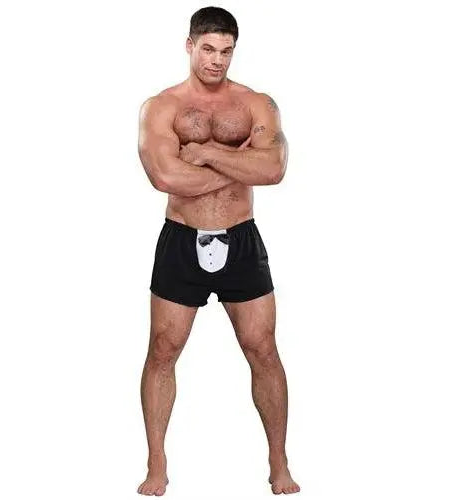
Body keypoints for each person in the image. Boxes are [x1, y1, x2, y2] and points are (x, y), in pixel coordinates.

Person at [137, 6, 300, 496]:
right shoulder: (161, 107)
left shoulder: (256, 103)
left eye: (226, 51)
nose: (217, 60)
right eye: (208, 49)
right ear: (190, 46)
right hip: (181, 241)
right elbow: (165, 176)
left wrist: (207, 154)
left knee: (263, 350)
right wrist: (240, 163)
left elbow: (274, 170)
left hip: (242, 240)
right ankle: (157, 464)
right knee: (162, 351)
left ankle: (278, 462)